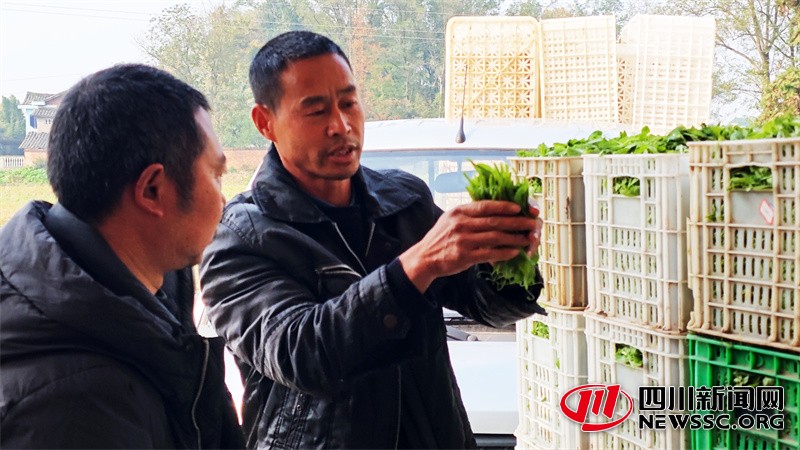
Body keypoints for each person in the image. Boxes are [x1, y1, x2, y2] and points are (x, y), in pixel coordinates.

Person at [199, 30, 545, 449]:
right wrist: (417, 266)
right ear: (264, 122)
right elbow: (302, 354)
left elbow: (487, 308)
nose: (341, 126)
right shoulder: (239, 239)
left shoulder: (405, 200)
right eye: (316, 111)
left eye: (349, 103)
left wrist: (507, 260)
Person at [0, 64, 244, 449]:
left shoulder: (151, 292)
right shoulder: (72, 408)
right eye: (216, 175)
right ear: (152, 190)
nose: (223, 199)